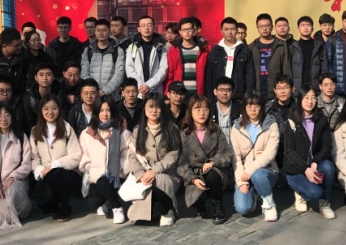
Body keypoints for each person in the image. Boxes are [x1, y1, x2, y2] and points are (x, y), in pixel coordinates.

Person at [281, 85, 337, 219]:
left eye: (313, 98)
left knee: (328, 167)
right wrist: (305, 169)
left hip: (314, 165)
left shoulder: (321, 119)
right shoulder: (292, 121)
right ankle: (300, 192)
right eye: (306, 98)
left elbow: (327, 145)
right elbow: (289, 151)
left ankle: (324, 202)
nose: (310, 101)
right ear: (300, 99)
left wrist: (315, 162)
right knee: (315, 193)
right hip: (296, 170)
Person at [127, 96, 183, 227]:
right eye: (150, 107)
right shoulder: (138, 130)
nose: (154, 110)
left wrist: (154, 170)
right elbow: (132, 156)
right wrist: (140, 174)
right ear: (145, 109)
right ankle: (156, 210)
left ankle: (168, 210)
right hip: (145, 174)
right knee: (144, 218)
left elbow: (173, 155)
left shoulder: (172, 128)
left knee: (160, 180)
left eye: (158, 107)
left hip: (168, 174)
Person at [179, 93, 234, 224]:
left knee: (211, 175)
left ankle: (218, 206)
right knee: (197, 200)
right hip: (196, 175)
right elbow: (181, 164)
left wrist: (213, 161)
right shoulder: (184, 135)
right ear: (190, 112)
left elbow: (226, 153)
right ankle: (203, 203)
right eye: (197, 109)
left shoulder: (215, 130)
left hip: (216, 172)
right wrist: (192, 179)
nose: (202, 113)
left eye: (205, 108)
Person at [28, 96, 83, 222]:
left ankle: (65, 205)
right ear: (41, 111)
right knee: (44, 203)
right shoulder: (35, 131)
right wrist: (40, 170)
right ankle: (53, 202)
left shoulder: (67, 129)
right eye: (46, 109)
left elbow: (75, 156)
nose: (50, 112)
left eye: (54, 108)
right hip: (45, 174)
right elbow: (34, 158)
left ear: (59, 110)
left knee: (58, 175)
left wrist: (54, 165)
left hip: (68, 173)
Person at [0, 101, 33, 228]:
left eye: (7, 115)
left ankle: (21, 210)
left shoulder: (21, 137)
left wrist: (12, 177)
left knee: (14, 190)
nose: (3, 119)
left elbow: (26, 164)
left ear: (12, 117)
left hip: (17, 185)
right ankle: (9, 212)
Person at [79, 99, 132, 224]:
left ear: (113, 112)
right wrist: (91, 169)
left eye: (108, 110)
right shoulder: (87, 133)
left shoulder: (123, 132)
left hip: (116, 175)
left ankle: (117, 208)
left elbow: (128, 156)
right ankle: (107, 201)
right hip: (96, 176)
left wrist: (117, 169)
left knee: (104, 183)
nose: (104, 114)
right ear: (96, 112)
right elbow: (84, 157)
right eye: (101, 110)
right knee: (94, 202)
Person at [231, 92, 280, 221]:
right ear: (244, 107)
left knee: (258, 175)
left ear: (262, 107)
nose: (253, 109)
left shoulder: (271, 124)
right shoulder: (236, 127)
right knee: (243, 208)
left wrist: (250, 170)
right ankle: (257, 192)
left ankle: (269, 205)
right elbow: (235, 157)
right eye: (249, 105)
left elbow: (270, 153)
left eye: (257, 105)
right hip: (244, 174)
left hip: (266, 170)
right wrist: (241, 181)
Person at [271, 15, 327, 93]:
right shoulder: (293, 47)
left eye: (308, 25)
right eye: (303, 25)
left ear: (312, 28)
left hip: (315, 89)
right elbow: (287, 69)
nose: (306, 28)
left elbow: (324, 68)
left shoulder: (319, 46)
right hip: (297, 89)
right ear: (298, 28)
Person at [205, 17, 255, 98]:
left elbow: (250, 75)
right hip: (219, 96)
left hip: (239, 95)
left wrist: (248, 96)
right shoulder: (215, 50)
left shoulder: (244, 50)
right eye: (226, 29)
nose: (229, 32)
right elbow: (209, 77)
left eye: (232, 29)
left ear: (236, 30)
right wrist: (210, 98)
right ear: (222, 31)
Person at [166, 17, 209, 96]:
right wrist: (167, 94)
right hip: (179, 94)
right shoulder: (173, 50)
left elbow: (209, 73)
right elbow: (170, 74)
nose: (187, 32)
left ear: (194, 31)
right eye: (184, 30)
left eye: (189, 29)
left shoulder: (204, 49)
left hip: (199, 94)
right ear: (180, 32)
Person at [81, 23, 125, 98]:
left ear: (110, 32)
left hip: (111, 96)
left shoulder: (118, 50)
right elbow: (84, 72)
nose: (101, 33)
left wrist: (105, 91)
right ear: (95, 32)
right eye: (98, 30)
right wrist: (93, 90)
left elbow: (119, 74)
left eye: (104, 30)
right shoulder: (88, 50)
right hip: (92, 96)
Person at [249, 13, 283, 100]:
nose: (264, 29)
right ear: (257, 28)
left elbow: (286, 69)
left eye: (267, 25)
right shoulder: (252, 47)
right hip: (257, 91)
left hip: (276, 92)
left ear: (272, 27)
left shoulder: (281, 45)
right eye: (261, 26)